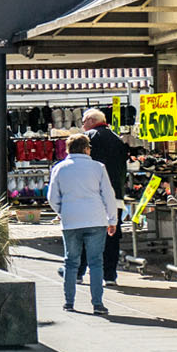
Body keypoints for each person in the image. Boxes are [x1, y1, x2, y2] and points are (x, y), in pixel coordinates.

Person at [47, 134, 116, 314]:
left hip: (71, 220)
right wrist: (112, 219)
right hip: (95, 218)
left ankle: (69, 302)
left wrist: (62, 211)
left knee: (71, 262)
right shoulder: (98, 167)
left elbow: (52, 197)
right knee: (95, 262)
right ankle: (98, 303)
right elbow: (108, 195)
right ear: (86, 148)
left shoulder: (59, 168)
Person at [79, 108, 127, 286]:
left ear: (91, 120)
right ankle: (110, 275)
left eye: (84, 121)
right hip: (115, 196)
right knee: (112, 235)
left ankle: (78, 271)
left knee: (85, 234)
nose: (82, 125)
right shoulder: (117, 138)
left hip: (92, 195)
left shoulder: (87, 138)